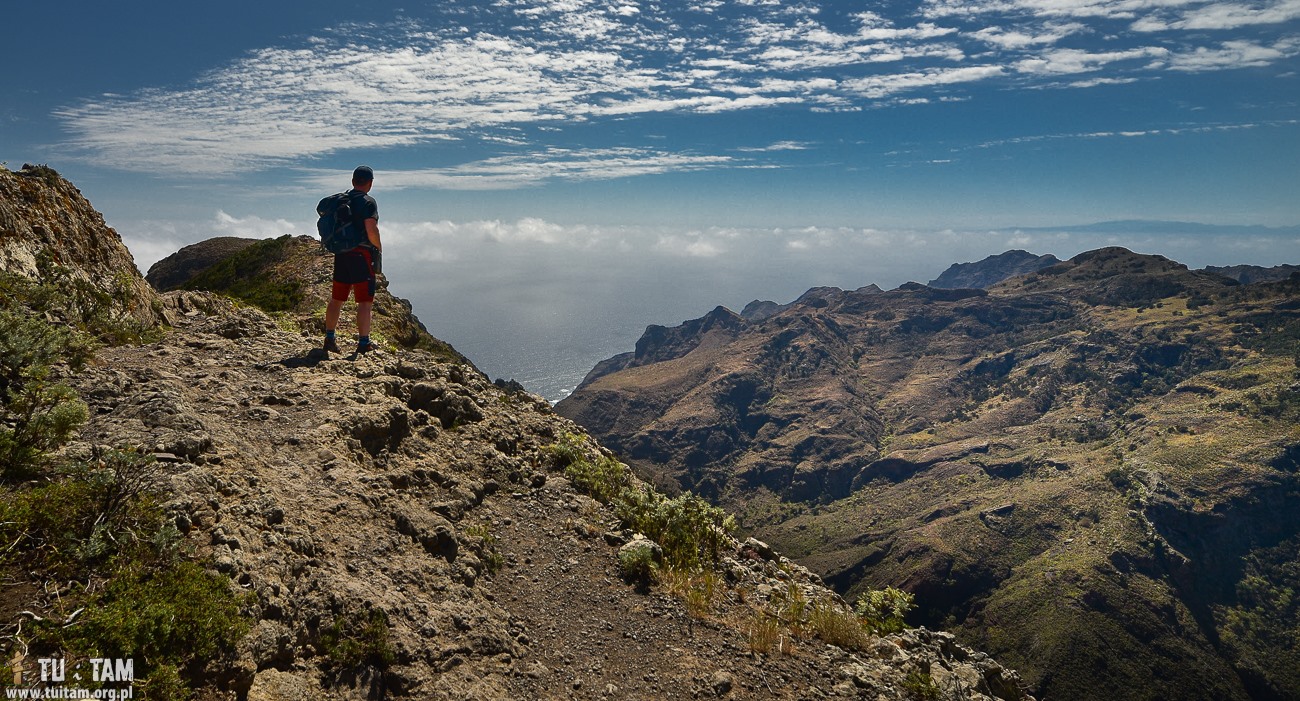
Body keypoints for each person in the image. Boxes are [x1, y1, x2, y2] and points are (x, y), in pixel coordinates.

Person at [324, 165, 383, 354]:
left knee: (337, 299)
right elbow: (371, 230)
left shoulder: (342, 200)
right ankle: (364, 343)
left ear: (353, 181)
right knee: (365, 301)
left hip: (341, 254)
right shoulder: (368, 202)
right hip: (361, 255)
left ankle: (329, 338)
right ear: (370, 183)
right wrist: (378, 248)